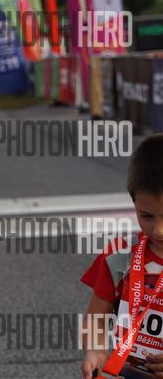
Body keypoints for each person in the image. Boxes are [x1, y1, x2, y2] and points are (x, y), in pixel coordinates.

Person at [80, 134, 163, 379]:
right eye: (146, 216)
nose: (159, 230)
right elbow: (96, 318)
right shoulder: (120, 254)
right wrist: (95, 349)